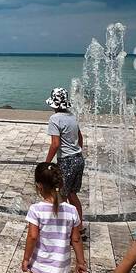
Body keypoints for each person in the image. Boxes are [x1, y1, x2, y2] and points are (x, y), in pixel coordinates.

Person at [44, 87, 86, 232]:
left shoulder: (54, 119)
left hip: (67, 161)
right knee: (72, 194)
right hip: (78, 159)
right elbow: (80, 138)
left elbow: (55, 144)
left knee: (61, 195)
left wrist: (47, 163)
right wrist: (76, 151)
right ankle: (79, 226)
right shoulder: (72, 116)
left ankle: (65, 228)